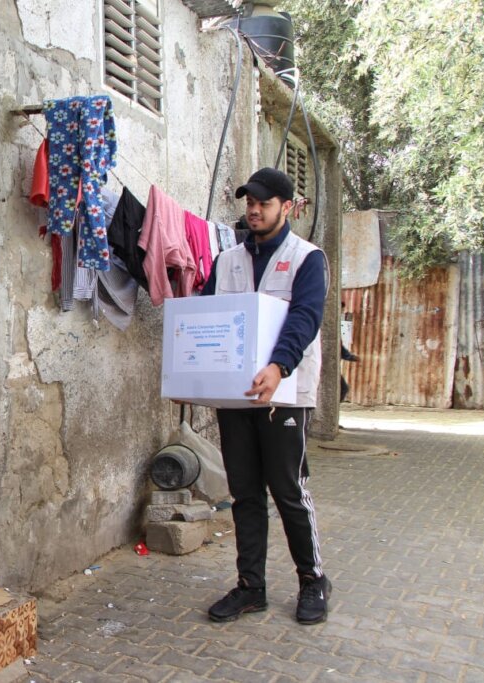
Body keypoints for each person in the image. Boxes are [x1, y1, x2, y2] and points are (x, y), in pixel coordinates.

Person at [200, 167, 332, 625]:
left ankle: (313, 579)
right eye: (249, 202)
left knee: (288, 489)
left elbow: (305, 318)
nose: (253, 210)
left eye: (264, 203)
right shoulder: (227, 260)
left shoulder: (307, 258)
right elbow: (207, 315)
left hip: (287, 393)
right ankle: (250, 587)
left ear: (286, 207)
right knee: (245, 494)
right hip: (236, 396)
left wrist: (278, 366)